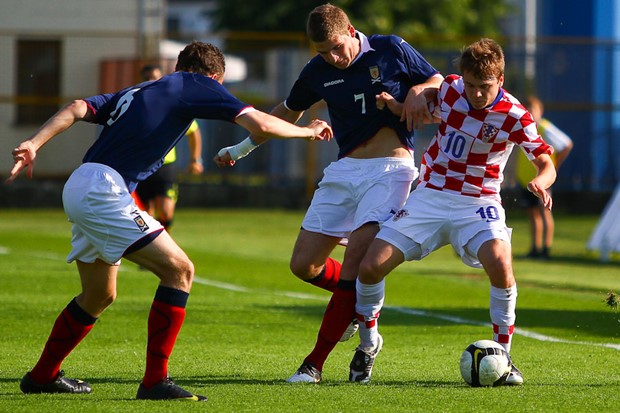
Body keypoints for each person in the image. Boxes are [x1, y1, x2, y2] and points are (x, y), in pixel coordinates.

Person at [7, 41, 332, 401]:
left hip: (83, 182)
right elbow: (260, 123)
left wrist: (35, 142)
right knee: (180, 270)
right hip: (103, 189)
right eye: (218, 85)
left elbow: (76, 107)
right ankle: (154, 382)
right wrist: (308, 131)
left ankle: (41, 376)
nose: (217, 93)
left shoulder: (139, 88)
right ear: (213, 76)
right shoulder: (196, 84)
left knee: (99, 294)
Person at [215, 3, 443, 383]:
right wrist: (240, 149)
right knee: (303, 266)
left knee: (355, 259)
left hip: (391, 170)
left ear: (351, 30)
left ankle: (314, 365)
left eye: (337, 47)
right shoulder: (316, 71)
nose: (333, 58)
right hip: (344, 171)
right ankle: (354, 302)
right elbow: (284, 115)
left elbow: (437, 81)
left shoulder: (390, 48)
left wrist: (420, 88)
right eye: (324, 52)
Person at [350, 38, 556, 384]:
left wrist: (542, 180)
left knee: (502, 264)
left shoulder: (515, 115)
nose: (475, 93)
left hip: (479, 202)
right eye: (471, 85)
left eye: (484, 87)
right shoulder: (449, 90)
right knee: (370, 267)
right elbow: (416, 112)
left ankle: (504, 358)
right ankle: (368, 346)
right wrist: (397, 104)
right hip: (430, 196)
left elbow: (544, 159)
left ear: (500, 80)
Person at [135, 64, 204, 232]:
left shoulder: (170, 104)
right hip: (141, 167)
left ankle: (164, 241)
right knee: (144, 217)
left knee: (165, 212)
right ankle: (153, 247)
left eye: (155, 77)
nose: (151, 81)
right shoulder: (136, 103)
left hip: (165, 167)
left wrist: (195, 159)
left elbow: (193, 131)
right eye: (147, 78)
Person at [516, 95, 573, 260]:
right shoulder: (522, 129)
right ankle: (535, 248)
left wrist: (552, 167)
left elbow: (566, 144)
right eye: (526, 110)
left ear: (540, 111)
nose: (529, 113)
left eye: (532, 110)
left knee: (544, 212)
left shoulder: (544, 128)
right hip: (526, 179)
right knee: (532, 214)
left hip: (541, 179)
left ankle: (546, 249)